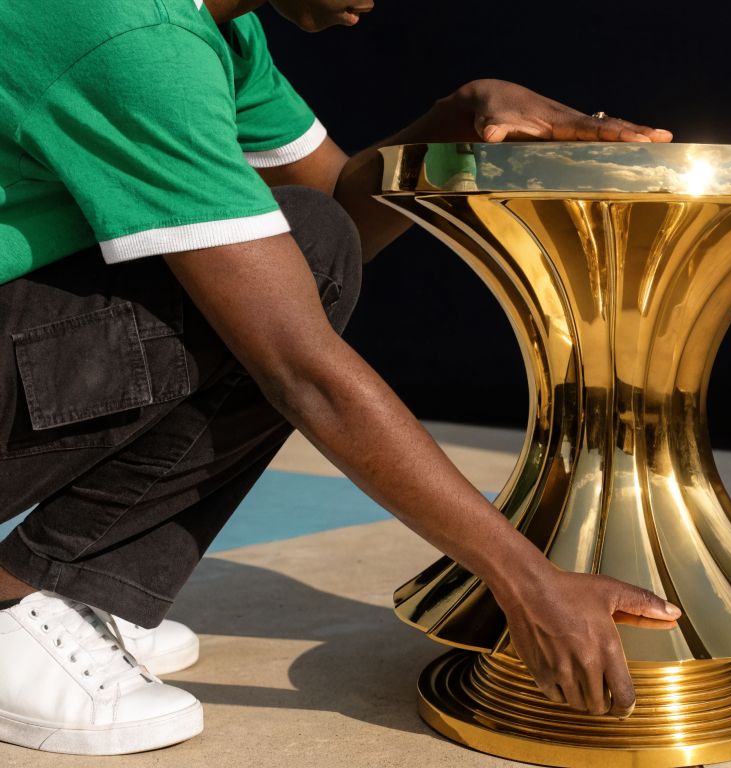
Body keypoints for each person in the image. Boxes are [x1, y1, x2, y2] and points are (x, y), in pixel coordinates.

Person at [0, 0, 681, 755]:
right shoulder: (132, 38)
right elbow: (299, 364)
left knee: (304, 247)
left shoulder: (219, 26)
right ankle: (12, 603)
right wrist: (526, 579)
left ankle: (71, 584)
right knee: (276, 319)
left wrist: (454, 117)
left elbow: (331, 226)